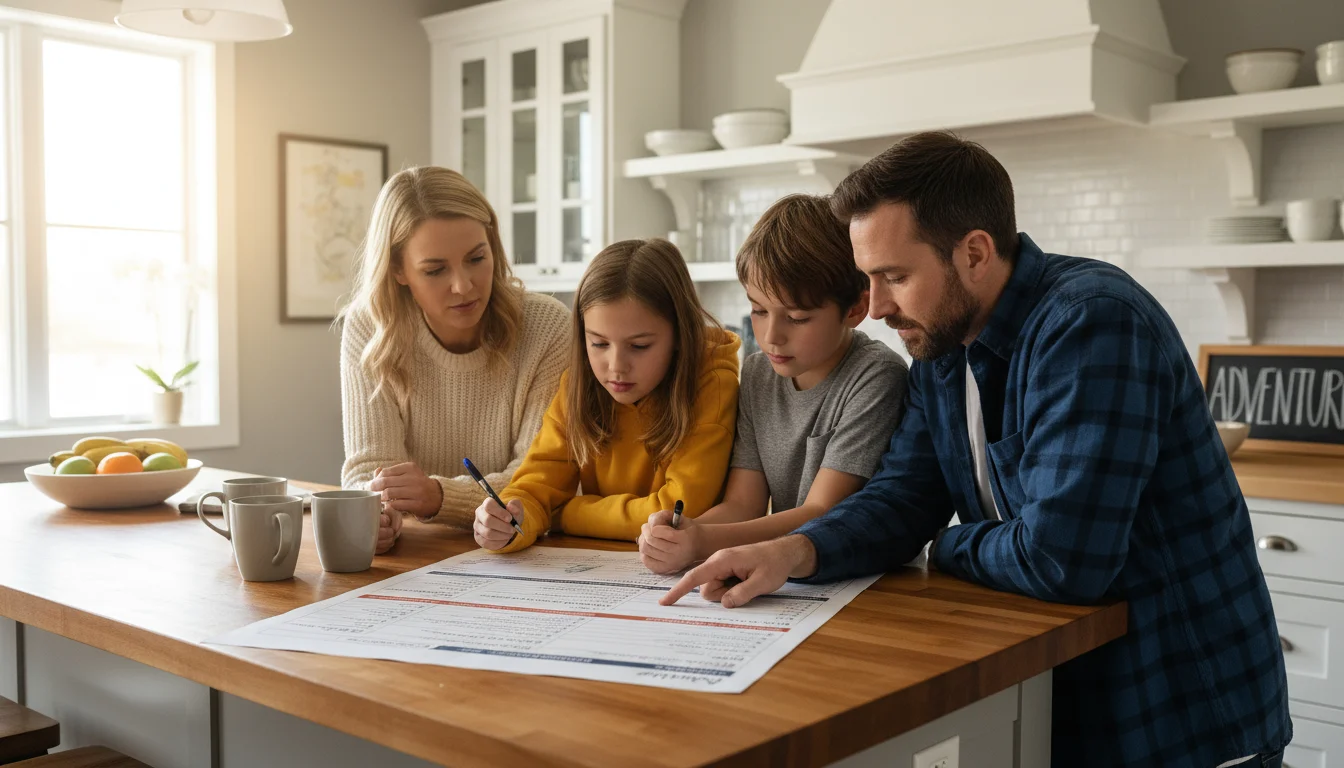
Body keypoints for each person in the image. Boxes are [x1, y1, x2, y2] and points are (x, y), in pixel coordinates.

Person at [662, 131, 1291, 768]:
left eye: (894, 277)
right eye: (869, 279)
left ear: (975, 253)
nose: (876, 307)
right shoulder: (940, 343)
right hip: (1074, 698)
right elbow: (905, 496)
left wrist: (944, 545)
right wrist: (793, 553)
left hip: (1188, 718)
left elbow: (1061, 560)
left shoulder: (1091, 323)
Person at [637, 194, 907, 574]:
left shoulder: (875, 376)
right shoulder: (760, 373)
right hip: (786, 577)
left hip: (866, 581)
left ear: (855, 309)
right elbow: (742, 505)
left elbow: (821, 514)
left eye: (796, 318)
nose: (771, 336)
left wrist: (702, 541)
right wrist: (681, 533)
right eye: (759, 310)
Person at [339, 166, 569, 554]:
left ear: (492, 244)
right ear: (398, 269)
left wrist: (437, 496)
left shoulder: (547, 327)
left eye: (477, 258)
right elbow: (368, 470)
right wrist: (376, 512)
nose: (463, 285)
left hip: (529, 556)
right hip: (418, 558)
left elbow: (540, 479)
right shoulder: (369, 327)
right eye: (435, 270)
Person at [472, 238, 740, 553]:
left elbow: (678, 514)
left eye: (639, 346)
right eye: (598, 344)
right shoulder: (578, 384)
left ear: (680, 336)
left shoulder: (712, 385)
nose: (616, 367)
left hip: (692, 571)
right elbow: (533, 491)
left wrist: (567, 512)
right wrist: (506, 526)